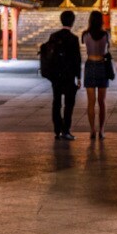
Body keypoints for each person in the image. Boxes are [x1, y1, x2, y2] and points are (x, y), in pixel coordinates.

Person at [39, 9, 82, 140]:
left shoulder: (54, 36)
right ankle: (66, 130)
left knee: (56, 102)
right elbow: (77, 59)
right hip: (69, 75)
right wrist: (79, 77)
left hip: (55, 75)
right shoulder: (73, 38)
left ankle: (57, 129)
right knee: (69, 104)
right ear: (72, 22)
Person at [81, 10, 113, 138]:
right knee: (102, 102)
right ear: (101, 21)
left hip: (90, 65)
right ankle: (102, 130)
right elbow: (107, 49)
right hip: (102, 66)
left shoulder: (85, 34)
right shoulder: (106, 34)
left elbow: (85, 44)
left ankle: (92, 130)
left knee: (90, 102)